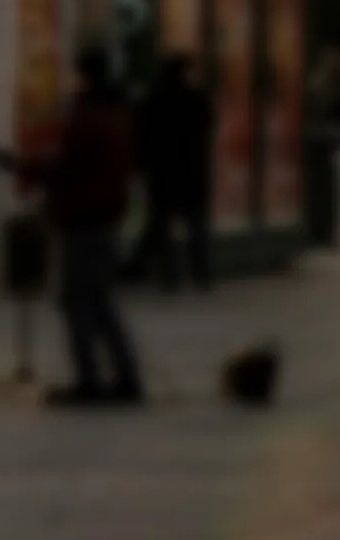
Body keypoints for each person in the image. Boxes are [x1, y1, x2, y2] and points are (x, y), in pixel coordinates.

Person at [36, 45, 146, 407]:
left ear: (83, 75)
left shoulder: (87, 116)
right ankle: (126, 375)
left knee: (79, 302)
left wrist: (29, 169)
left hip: (83, 217)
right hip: (103, 216)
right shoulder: (115, 112)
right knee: (99, 301)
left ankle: (89, 379)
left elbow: (67, 167)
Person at [129, 52, 213, 292]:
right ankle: (201, 274)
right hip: (192, 170)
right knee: (196, 226)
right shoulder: (195, 98)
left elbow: (141, 136)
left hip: (162, 172)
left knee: (163, 224)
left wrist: (141, 164)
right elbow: (206, 126)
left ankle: (170, 275)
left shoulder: (153, 100)